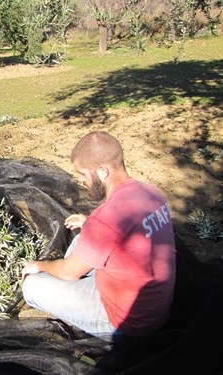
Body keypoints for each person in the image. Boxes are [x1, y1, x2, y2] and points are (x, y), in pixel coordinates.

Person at [21, 130, 176, 341]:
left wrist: (38, 266)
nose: (79, 180)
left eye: (82, 173)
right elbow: (128, 228)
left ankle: (79, 316)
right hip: (156, 309)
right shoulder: (151, 193)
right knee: (79, 239)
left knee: (32, 285)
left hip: (124, 322)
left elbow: (68, 273)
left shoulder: (106, 218)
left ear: (103, 171)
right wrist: (89, 223)